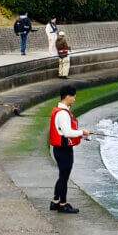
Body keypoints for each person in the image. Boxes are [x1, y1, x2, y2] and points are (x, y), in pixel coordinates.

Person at [49, 84, 91, 214]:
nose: (74, 99)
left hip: (60, 148)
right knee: (64, 177)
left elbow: (63, 132)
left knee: (62, 176)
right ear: (67, 97)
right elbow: (67, 132)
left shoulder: (59, 110)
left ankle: (56, 202)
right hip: (63, 149)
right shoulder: (63, 114)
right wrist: (81, 132)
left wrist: (80, 134)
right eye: (73, 96)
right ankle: (63, 204)